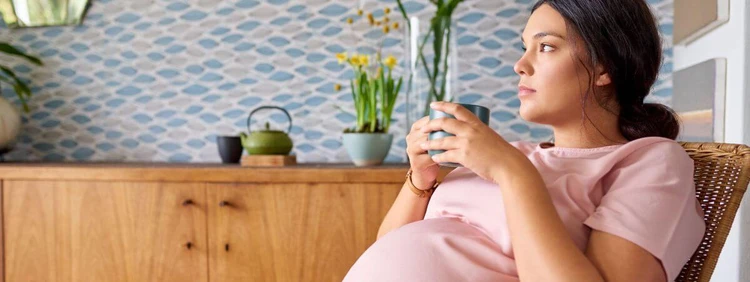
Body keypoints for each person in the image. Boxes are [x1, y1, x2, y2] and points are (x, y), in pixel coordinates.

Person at [343, 0, 706, 281]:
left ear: (604, 67)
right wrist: (420, 180)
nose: (520, 64)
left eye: (545, 46)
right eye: (524, 47)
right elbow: (387, 249)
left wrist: (512, 172)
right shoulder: (513, 153)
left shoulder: (651, 161)